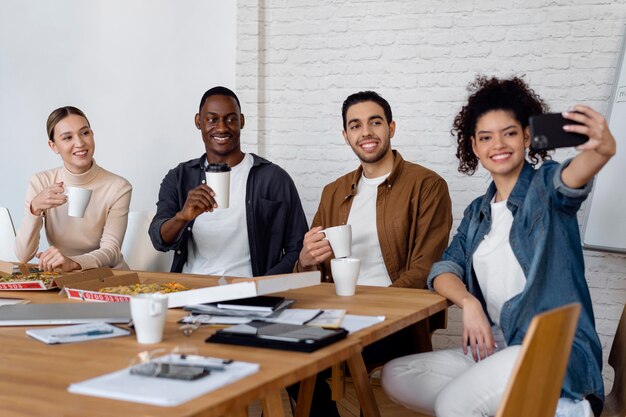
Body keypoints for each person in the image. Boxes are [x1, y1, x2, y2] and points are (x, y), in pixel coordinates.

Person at [381, 76, 614, 417]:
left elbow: (572, 178)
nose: (498, 144)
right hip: (498, 347)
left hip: (552, 353)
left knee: (453, 403)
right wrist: (469, 303)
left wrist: (601, 150)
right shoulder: (478, 211)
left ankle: (563, 407)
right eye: (486, 137)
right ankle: (514, 408)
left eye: (509, 133)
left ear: (527, 137)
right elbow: (443, 270)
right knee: (397, 375)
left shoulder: (545, 188)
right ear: (474, 146)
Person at [292, 91, 453, 416]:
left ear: (391, 127)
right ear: (346, 135)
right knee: (282, 356)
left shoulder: (427, 185)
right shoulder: (334, 192)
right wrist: (305, 259)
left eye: (374, 122)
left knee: (321, 359)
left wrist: (370, 311)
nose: (365, 132)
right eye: (355, 125)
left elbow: (425, 268)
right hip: (335, 316)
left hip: (395, 321)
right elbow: (310, 272)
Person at [149, 86, 308, 276]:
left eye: (231, 119)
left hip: (250, 293)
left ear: (241, 121)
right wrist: (182, 217)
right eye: (212, 119)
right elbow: (159, 240)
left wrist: (263, 287)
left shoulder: (273, 178)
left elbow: (297, 248)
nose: (222, 127)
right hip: (191, 289)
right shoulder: (179, 177)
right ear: (198, 122)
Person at [14, 106, 132, 271]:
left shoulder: (118, 187)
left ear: (92, 135)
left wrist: (73, 263)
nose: (80, 143)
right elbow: (23, 256)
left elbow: (111, 251)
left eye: (85, 133)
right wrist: (34, 209)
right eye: (67, 137)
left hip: (109, 277)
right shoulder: (41, 182)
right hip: (63, 278)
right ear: (53, 146)